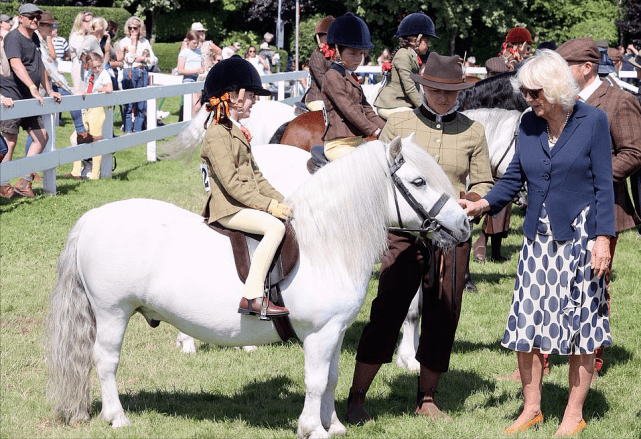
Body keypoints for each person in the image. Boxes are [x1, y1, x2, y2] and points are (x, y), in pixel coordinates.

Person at [460, 49, 615, 436]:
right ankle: (532, 409)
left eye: (533, 93)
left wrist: (603, 240)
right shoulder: (528, 123)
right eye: (525, 93)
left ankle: (573, 414)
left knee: (582, 327)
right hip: (537, 242)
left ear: (555, 89)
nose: (527, 100)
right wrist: (482, 203)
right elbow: (514, 178)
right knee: (526, 324)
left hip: (580, 237)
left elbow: (604, 187)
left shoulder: (593, 121)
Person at [345, 53, 493, 424]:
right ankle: (357, 396)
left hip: (452, 234)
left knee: (444, 312)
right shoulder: (399, 124)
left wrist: (474, 202)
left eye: (451, 92)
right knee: (387, 310)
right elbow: (377, 176)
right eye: (437, 90)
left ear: (460, 92)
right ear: (424, 87)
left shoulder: (473, 130)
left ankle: (427, 397)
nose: (444, 98)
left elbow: (485, 181)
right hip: (405, 232)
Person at [557, 37, 641, 379]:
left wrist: (595, 176)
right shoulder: (562, 101)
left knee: (593, 286)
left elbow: (634, 153)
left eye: (565, 67)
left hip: (601, 210)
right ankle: (542, 360)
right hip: (560, 208)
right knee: (555, 284)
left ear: (586, 68)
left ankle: (593, 362)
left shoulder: (620, 101)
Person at [199, 56, 290, 318]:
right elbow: (232, 185)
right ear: (233, 97)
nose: (253, 100)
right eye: (250, 95)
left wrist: (285, 201)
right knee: (274, 226)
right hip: (227, 208)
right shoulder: (217, 133)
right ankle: (252, 296)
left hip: (240, 203)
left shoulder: (235, 131)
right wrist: (270, 207)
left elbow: (257, 178)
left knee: (283, 217)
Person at [0, 3, 62, 198]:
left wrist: (49, 89)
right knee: (10, 141)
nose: (35, 19)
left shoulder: (34, 37)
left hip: (29, 95)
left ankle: (24, 182)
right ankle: (2, 184)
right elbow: (16, 64)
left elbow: (40, 65)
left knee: (42, 136)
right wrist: (33, 87)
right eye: (31, 16)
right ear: (21, 18)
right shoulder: (13, 37)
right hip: (13, 94)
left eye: (37, 16)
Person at [320, 12, 385, 162]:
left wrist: (388, 128)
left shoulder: (349, 76)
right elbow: (349, 110)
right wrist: (374, 130)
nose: (358, 59)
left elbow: (367, 109)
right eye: (353, 54)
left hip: (356, 142)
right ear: (336, 50)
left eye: (361, 54)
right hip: (338, 145)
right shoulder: (332, 76)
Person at [374, 12, 439, 120]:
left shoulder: (411, 55)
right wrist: (426, 109)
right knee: (416, 119)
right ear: (416, 40)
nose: (428, 45)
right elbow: (410, 88)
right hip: (391, 105)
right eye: (426, 42)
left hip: (401, 104)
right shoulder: (403, 55)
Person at [68, 51, 113, 180]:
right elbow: (87, 88)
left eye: (99, 66)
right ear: (88, 67)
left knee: (95, 141)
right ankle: (76, 171)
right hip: (89, 111)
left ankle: (95, 174)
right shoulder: (89, 75)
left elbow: (109, 88)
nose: (98, 69)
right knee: (75, 138)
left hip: (98, 110)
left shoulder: (104, 74)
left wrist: (100, 90)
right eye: (94, 67)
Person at [116, 16, 156, 133]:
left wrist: (143, 58)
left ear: (140, 28)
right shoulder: (124, 42)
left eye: (135, 28)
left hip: (142, 72)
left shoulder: (145, 42)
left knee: (141, 104)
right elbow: (127, 59)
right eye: (130, 28)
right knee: (128, 104)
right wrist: (133, 43)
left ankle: (138, 131)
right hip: (128, 72)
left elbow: (153, 59)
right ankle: (128, 131)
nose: (132, 30)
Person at [68, 10, 94, 143]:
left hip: (89, 71)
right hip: (79, 70)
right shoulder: (75, 37)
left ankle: (88, 132)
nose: (90, 23)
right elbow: (84, 53)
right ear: (80, 22)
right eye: (87, 21)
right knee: (81, 100)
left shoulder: (90, 37)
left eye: (91, 20)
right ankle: (80, 133)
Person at [302, 15, 334, 112]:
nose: (327, 41)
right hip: (317, 98)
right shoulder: (316, 56)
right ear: (318, 38)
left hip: (332, 98)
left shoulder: (335, 57)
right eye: (324, 37)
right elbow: (323, 81)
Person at [178, 30, 204, 116]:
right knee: (197, 107)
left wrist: (202, 70)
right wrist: (196, 70)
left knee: (198, 107)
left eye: (197, 43)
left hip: (199, 80)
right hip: (188, 80)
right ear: (188, 41)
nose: (196, 45)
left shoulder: (199, 53)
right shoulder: (184, 52)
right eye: (194, 43)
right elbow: (180, 70)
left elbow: (203, 66)